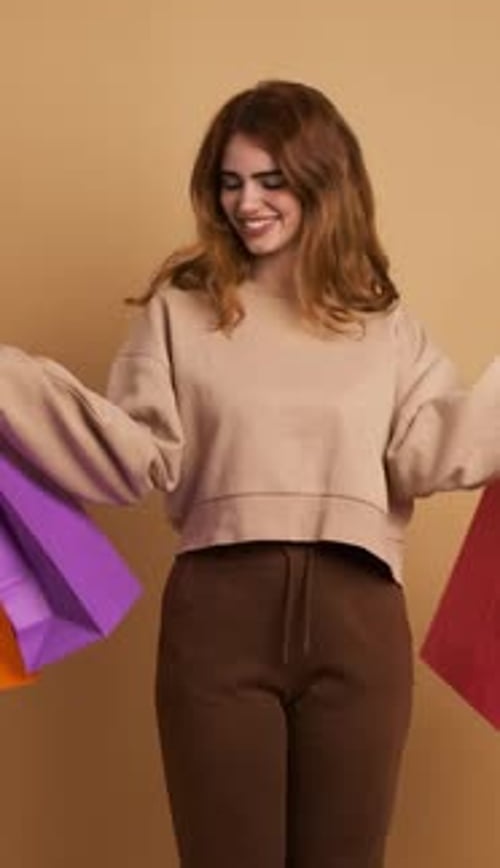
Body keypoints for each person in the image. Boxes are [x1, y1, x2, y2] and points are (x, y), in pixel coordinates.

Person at [1, 78, 500, 868]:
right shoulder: (180, 312)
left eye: (271, 181)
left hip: (358, 618)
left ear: (323, 180)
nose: (247, 202)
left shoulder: (384, 327)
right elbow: (131, 453)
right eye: (230, 182)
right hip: (218, 621)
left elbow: (431, 451)